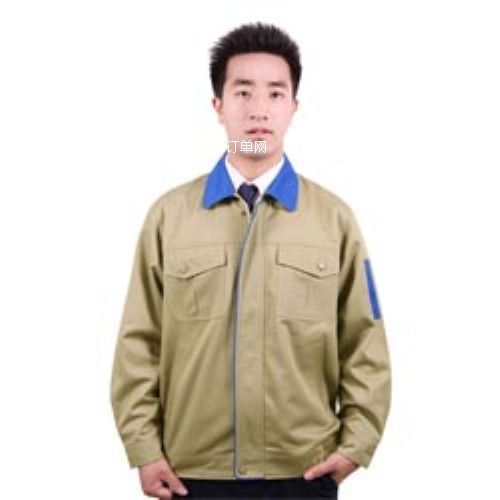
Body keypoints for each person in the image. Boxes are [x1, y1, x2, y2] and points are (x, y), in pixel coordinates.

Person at [110, 22, 391, 499]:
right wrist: (144, 448)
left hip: (303, 472)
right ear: (218, 105)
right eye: (243, 92)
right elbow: (139, 341)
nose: (259, 109)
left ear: (294, 106)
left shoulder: (333, 220)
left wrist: (356, 444)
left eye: (275, 93)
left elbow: (364, 340)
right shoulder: (169, 217)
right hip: (191, 473)